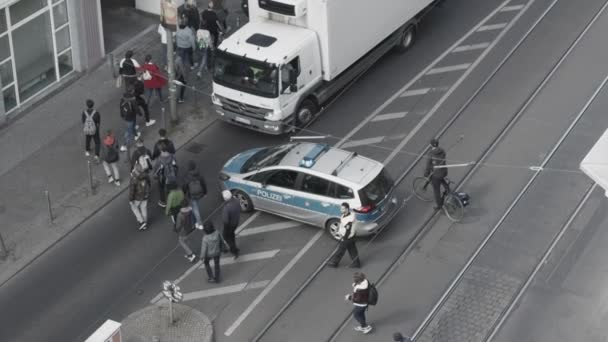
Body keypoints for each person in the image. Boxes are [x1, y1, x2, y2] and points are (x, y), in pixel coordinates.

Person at [327, 202, 361, 268]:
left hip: (347, 237)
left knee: (341, 250)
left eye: (342, 209)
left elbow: (348, 230)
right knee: (352, 250)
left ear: (347, 209)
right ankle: (357, 263)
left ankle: (334, 262)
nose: (341, 210)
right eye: (341, 208)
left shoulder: (349, 220)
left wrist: (344, 238)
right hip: (352, 236)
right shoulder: (349, 214)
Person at [424, 138, 448, 210]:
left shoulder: (430, 154)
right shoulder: (442, 150)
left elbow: (428, 165)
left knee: (436, 190)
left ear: (431, 145)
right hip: (444, 171)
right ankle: (448, 191)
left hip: (437, 174)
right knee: (441, 179)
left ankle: (439, 206)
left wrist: (426, 173)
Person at [183, 160, 207, 229]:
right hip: (200, 194)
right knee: (195, 207)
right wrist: (205, 193)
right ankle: (197, 221)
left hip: (192, 195)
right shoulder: (199, 174)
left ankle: (199, 223)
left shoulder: (187, 177)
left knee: (195, 209)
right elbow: (203, 184)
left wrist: (184, 193)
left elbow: (185, 186)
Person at [154, 143, 178, 207]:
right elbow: (176, 165)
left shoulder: (159, 159)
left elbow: (156, 170)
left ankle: (163, 201)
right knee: (170, 188)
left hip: (163, 176)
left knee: (161, 188)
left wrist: (155, 175)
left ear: (161, 150)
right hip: (171, 175)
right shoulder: (172, 156)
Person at [129, 165, 151, 230]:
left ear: (136, 170)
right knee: (143, 208)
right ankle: (145, 222)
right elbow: (149, 183)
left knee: (134, 208)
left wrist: (131, 199)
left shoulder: (134, 178)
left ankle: (141, 222)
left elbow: (132, 190)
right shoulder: (146, 175)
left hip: (137, 197)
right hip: (145, 195)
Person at [221, 190, 241, 259]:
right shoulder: (237, 201)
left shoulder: (227, 208)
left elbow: (225, 221)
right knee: (232, 235)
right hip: (235, 222)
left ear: (225, 199)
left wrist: (225, 229)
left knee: (226, 237)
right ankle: (234, 247)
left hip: (229, 225)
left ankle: (234, 250)